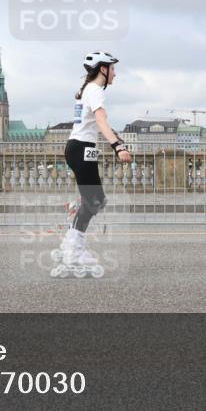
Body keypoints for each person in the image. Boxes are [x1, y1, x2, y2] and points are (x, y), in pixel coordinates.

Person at [52, 51, 132, 278]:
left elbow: (96, 123)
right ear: (102, 69)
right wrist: (118, 146)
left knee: (95, 200)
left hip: (79, 148)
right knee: (95, 200)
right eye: (112, 68)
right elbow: (100, 120)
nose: (115, 73)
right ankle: (73, 248)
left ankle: (72, 242)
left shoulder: (87, 89)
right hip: (81, 149)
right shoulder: (95, 90)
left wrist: (115, 136)